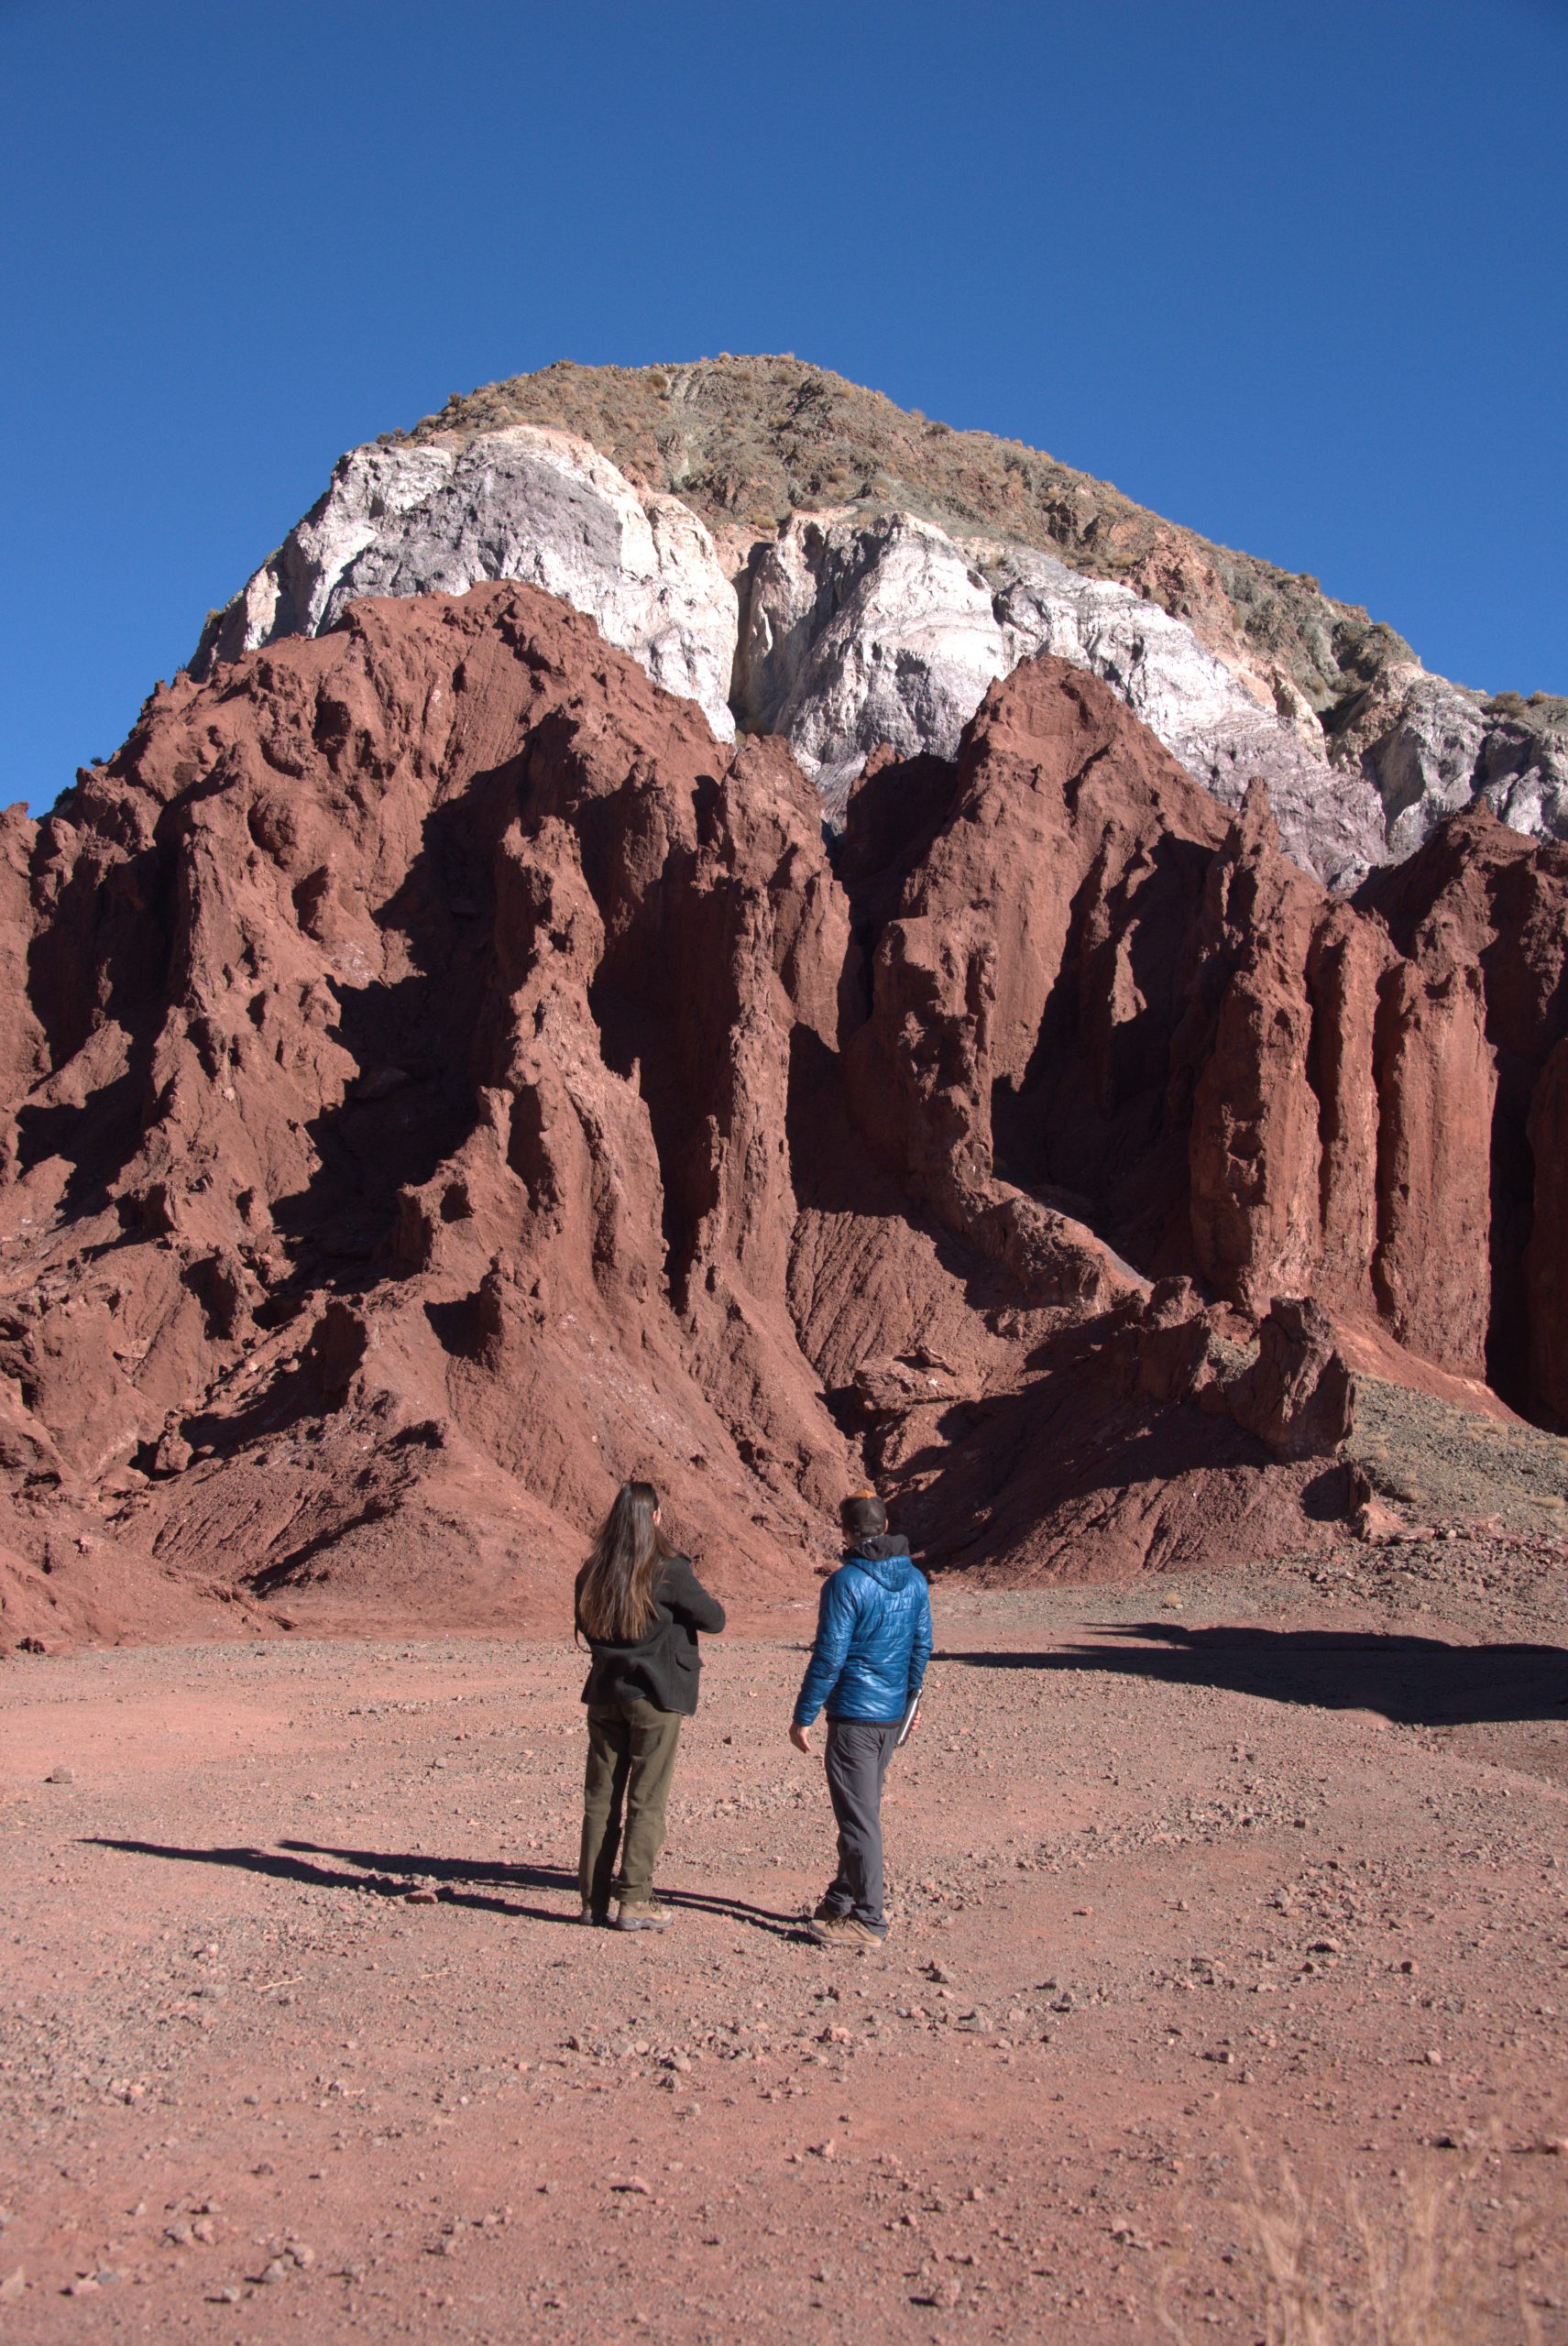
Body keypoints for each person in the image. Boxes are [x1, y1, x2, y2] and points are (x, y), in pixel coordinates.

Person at [575, 1479, 725, 1931]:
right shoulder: (668, 1571)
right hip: (655, 1698)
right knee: (646, 1798)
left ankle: (592, 1901)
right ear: (655, 1517)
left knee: (600, 1800)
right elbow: (714, 1619)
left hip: (605, 1695)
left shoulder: (593, 1570)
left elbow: (586, 1623)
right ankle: (635, 1898)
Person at [789, 1491, 932, 1948]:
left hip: (854, 1716)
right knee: (862, 1810)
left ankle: (869, 1919)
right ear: (886, 1526)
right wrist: (909, 1703)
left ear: (847, 1532)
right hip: (889, 1717)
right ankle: (841, 1899)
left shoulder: (845, 1583)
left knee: (858, 1819)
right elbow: (921, 1647)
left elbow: (830, 1656)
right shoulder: (915, 1581)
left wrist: (804, 1715)